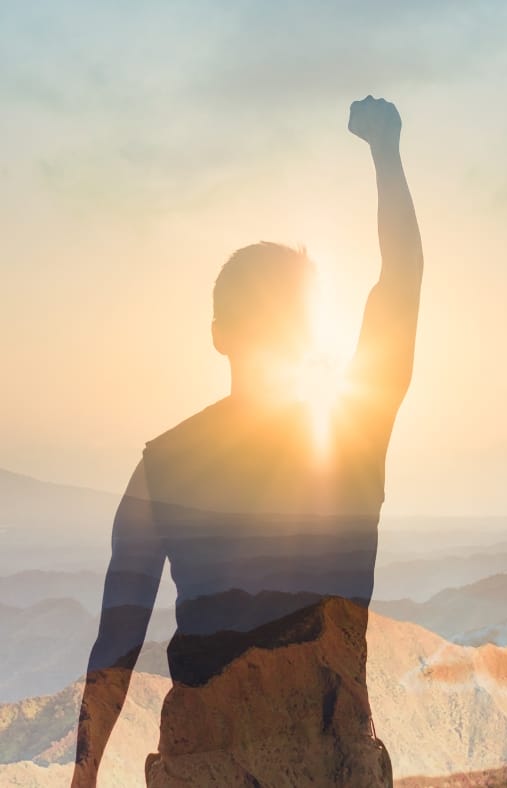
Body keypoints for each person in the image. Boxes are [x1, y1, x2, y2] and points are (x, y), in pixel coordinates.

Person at [71, 96, 422, 787]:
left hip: (206, 763)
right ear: (308, 336)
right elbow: (400, 285)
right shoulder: (352, 438)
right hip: (330, 758)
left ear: (217, 332)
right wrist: (387, 154)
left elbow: (117, 640)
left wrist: (83, 779)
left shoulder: (161, 469)